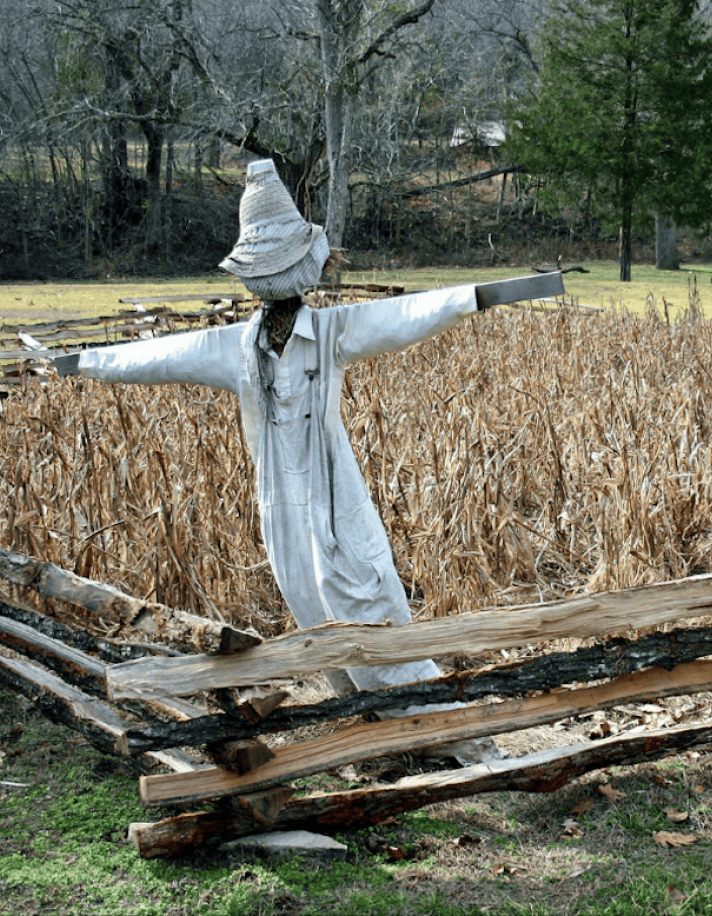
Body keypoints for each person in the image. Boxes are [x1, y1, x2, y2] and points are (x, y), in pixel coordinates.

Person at [60, 160, 513, 765]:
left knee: (368, 608)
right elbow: (159, 357)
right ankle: (377, 734)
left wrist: (474, 297)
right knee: (313, 611)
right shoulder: (236, 349)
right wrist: (86, 362)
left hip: (333, 500)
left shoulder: (329, 333)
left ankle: (457, 734)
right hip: (282, 511)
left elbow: (403, 317)